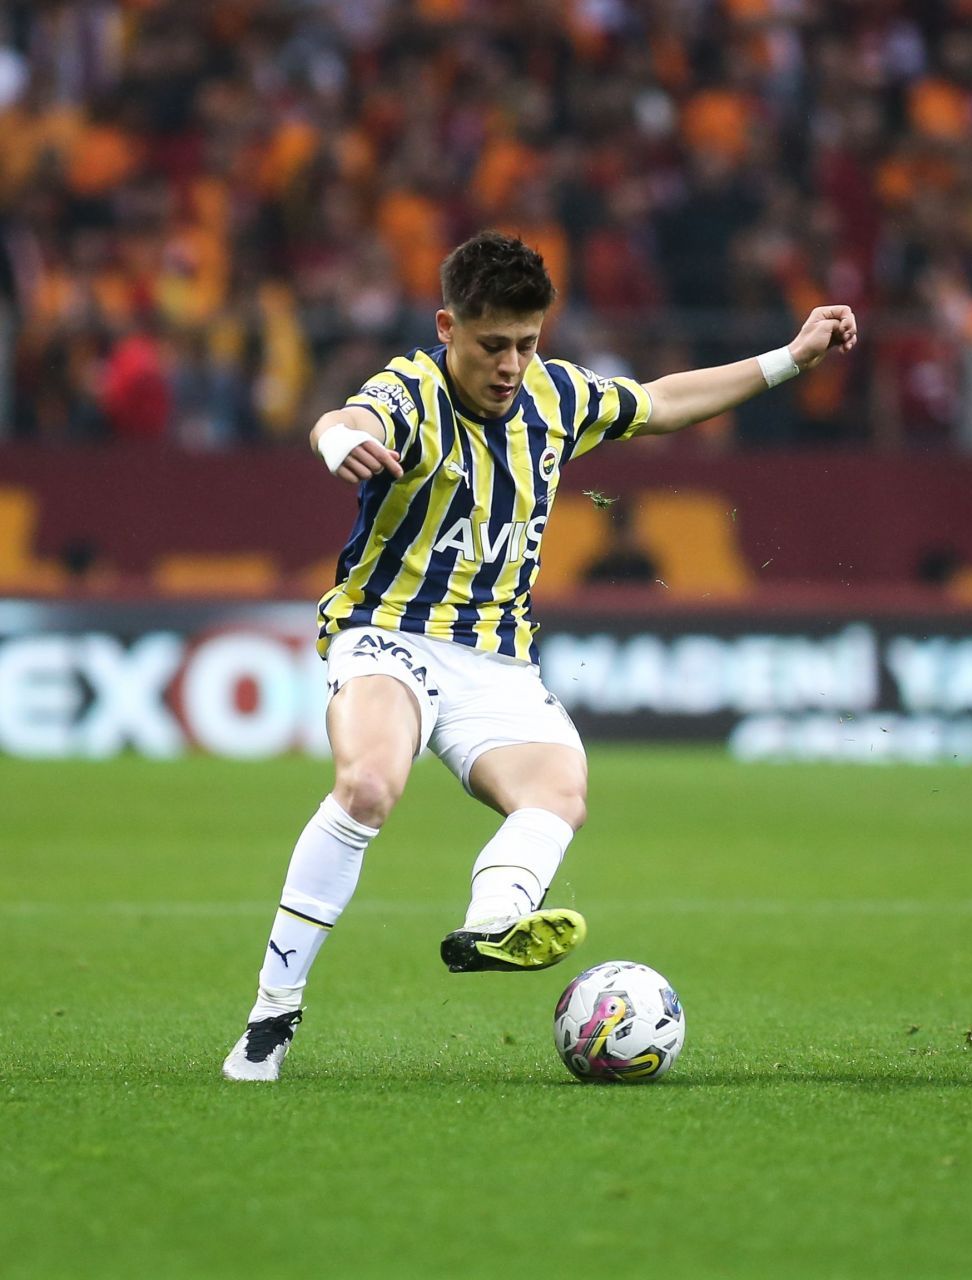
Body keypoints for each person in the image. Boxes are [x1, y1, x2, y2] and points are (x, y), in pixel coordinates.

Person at [223, 231, 858, 1082]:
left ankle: (494, 922)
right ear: (448, 327)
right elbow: (350, 416)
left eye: (527, 343)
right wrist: (335, 440)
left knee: (561, 791)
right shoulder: (412, 388)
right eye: (493, 346)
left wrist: (790, 356)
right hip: (388, 634)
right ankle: (273, 1014)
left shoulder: (556, 398)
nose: (512, 364)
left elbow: (664, 403)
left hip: (496, 660)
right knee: (368, 785)